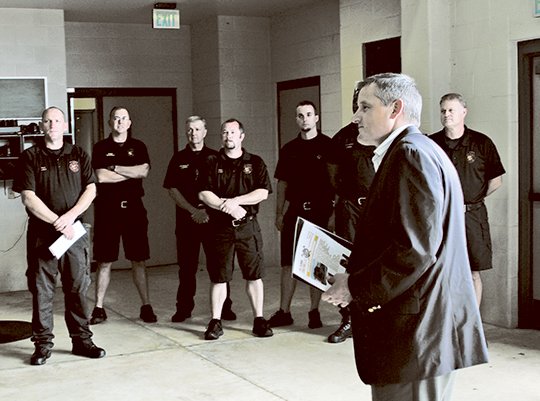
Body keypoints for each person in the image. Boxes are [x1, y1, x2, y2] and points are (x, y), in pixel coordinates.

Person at [322, 73, 488, 400]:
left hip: (417, 332)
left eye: (365, 107)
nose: (356, 117)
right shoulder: (419, 150)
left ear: (395, 108)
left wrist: (354, 286)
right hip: (419, 327)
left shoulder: (411, 155)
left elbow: (415, 250)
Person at [13, 106, 106, 365]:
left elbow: (91, 190)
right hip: (43, 235)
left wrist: (69, 217)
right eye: (47, 121)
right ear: (41, 126)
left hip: (73, 234)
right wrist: (56, 221)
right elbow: (28, 198)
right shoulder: (30, 156)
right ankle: (42, 345)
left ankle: (82, 341)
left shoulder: (78, 153)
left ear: (65, 125)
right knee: (42, 291)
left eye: (57, 120)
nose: (52, 124)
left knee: (77, 287)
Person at [198, 118, 273, 340]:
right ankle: (215, 321)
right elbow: (204, 193)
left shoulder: (256, 162)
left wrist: (236, 201)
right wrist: (228, 207)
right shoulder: (211, 161)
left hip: (248, 227)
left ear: (241, 136)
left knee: (254, 274)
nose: (228, 136)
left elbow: (263, 192)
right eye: (224, 132)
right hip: (220, 228)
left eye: (232, 132)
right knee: (219, 277)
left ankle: (259, 319)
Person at [430, 93, 505, 307]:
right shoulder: (431, 143)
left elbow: (495, 181)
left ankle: (472, 324)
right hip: (440, 217)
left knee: (473, 272)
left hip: (472, 216)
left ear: (464, 112)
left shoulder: (481, 143)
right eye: (443, 110)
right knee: (440, 269)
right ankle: (445, 322)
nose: (447, 114)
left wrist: (470, 201)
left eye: (451, 110)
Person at [269, 100, 335, 329]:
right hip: (294, 212)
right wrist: (278, 213)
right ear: (296, 119)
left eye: (308, 114)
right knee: (288, 264)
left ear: (316, 117)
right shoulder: (289, 149)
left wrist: (333, 214)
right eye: (300, 115)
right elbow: (282, 184)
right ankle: (284, 311)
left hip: (320, 213)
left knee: (316, 265)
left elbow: (337, 183)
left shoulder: (328, 146)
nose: (304, 118)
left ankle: (314, 312)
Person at [163, 115, 236, 322]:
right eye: (190, 130)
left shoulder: (216, 157)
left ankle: (224, 308)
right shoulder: (178, 159)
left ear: (205, 132)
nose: (193, 133)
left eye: (197, 129)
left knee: (219, 267)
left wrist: (206, 211)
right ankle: (184, 308)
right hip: (187, 222)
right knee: (187, 269)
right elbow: (173, 190)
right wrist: (193, 210)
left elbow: (223, 190)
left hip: (214, 223)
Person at [89, 106, 157, 324]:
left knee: (138, 260)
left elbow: (144, 171)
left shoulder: (138, 146)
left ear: (129, 123)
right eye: (116, 118)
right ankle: (98, 308)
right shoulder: (101, 147)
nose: (120, 122)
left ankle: (146, 306)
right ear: (110, 122)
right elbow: (100, 176)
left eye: (124, 118)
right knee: (104, 261)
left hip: (134, 211)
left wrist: (115, 167)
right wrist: (131, 172)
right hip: (107, 211)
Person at [326, 86, 376, 343]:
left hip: (377, 209)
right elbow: (333, 175)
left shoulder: (381, 135)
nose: (360, 108)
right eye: (357, 103)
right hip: (350, 208)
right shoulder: (343, 137)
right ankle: (347, 320)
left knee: (375, 261)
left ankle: (373, 319)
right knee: (347, 262)